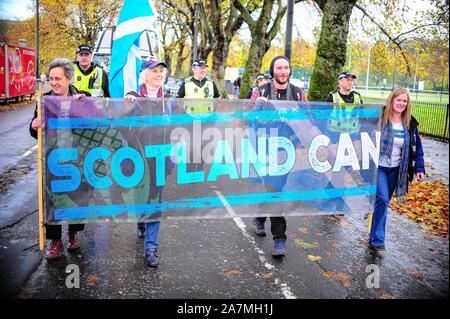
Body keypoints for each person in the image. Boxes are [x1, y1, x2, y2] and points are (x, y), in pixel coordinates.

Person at [30, 57, 90, 259]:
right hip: (52, 158)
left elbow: (96, 123)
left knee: (77, 198)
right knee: (52, 200)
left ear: (69, 79)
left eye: (58, 79)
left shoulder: (83, 97)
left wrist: (85, 107)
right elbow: (33, 131)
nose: (54, 83)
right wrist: (34, 125)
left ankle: (73, 235)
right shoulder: (43, 100)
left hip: (77, 158)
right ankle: (55, 241)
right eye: (52, 79)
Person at [250, 56, 307, 257]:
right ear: (273, 70)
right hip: (265, 147)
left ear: (290, 71)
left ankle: (259, 216)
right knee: (276, 189)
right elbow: (245, 119)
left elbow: (307, 119)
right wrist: (257, 106)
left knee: (274, 187)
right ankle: (279, 239)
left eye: (286, 68)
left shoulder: (299, 94)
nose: (282, 71)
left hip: (287, 149)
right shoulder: (261, 90)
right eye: (279, 68)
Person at [124, 58, 170, 268]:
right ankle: (141, 220)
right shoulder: (133, 98)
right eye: (154, 71)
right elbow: (121, 126)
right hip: (137, 157)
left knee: (155, 200)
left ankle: (151, 246)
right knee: (140, 196)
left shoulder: (169, 100)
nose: (159, 74)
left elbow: (186, 122)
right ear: (144, 75)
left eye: (161, 71)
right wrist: (126, 105)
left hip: (159, 157)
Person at [369, 88, 425, 251]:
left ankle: (374, 234)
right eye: (398, 100)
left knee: (383, 203)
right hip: (379, 167)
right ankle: (377, 239)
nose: (401, 104)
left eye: (404, 101)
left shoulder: (410, 123)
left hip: (397, 170)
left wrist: (419, 168)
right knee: (383, 199)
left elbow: (417, 148)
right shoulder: (380, 117)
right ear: (391, 100)